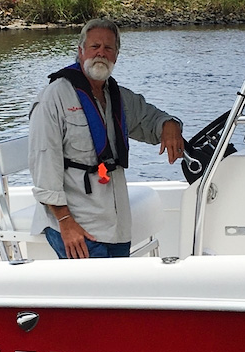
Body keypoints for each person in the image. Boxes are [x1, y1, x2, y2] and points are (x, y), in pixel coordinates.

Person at [28, 19, 185, 259]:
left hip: (116, 228)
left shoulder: (117, 97)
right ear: (80, 51)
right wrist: (65, 222)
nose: (101, 52)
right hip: (76, 227)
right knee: (95, 294)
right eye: (95, 46)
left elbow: (150, 119)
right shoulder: (54, 97)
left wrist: (170, 124)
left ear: (116, 57)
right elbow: (44, 165)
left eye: (108, 48)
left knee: (117, 292)